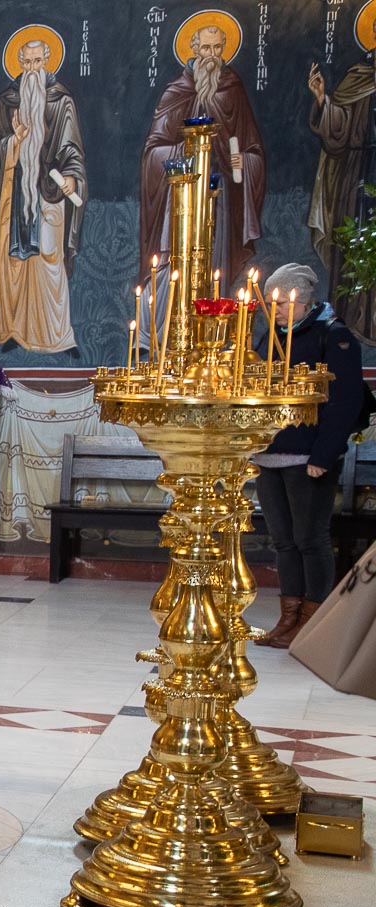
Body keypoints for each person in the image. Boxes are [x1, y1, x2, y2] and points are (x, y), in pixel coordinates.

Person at [252, 263, 375, 648]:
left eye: (281, 303)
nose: (274, 311)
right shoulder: (271, 337)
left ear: (302, 300)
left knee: (310, 538)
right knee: (283, 541)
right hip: (270, 455)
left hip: (309, 457)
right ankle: (288, 619)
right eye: (271, 303)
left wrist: (324, 454)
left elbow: (344, 402)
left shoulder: (333, 336)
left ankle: (312, 623)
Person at [0, 34, 86, 354]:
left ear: (47, 62)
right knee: (13, 265)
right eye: (27, 63)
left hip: (48, 195)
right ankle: (13, 331)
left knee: (48, 261)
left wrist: (71, 177)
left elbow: (72, 148)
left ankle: (57, 337)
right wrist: (14, 141)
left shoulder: (61, 101)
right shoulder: (7, 102)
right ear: (19, 63)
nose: (33, 69)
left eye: (38, 62)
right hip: (13, 192)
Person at [139, 23, 264, 286]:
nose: (212, 55)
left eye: (217, 48)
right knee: (179, 265)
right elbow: (153, 151)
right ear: (195, 49)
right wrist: (184, 152)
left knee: (215, 266)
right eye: (206, 48)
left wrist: (245, 161)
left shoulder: (233, 88)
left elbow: (253, 148)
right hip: (181, 195)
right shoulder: (177, 91)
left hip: (221, 196)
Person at [306, 59, 376, 343]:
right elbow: (339, 133)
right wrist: (323, 99)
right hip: (360, 171)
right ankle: (353, 319)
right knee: (353, 243)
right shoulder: (359, 77)